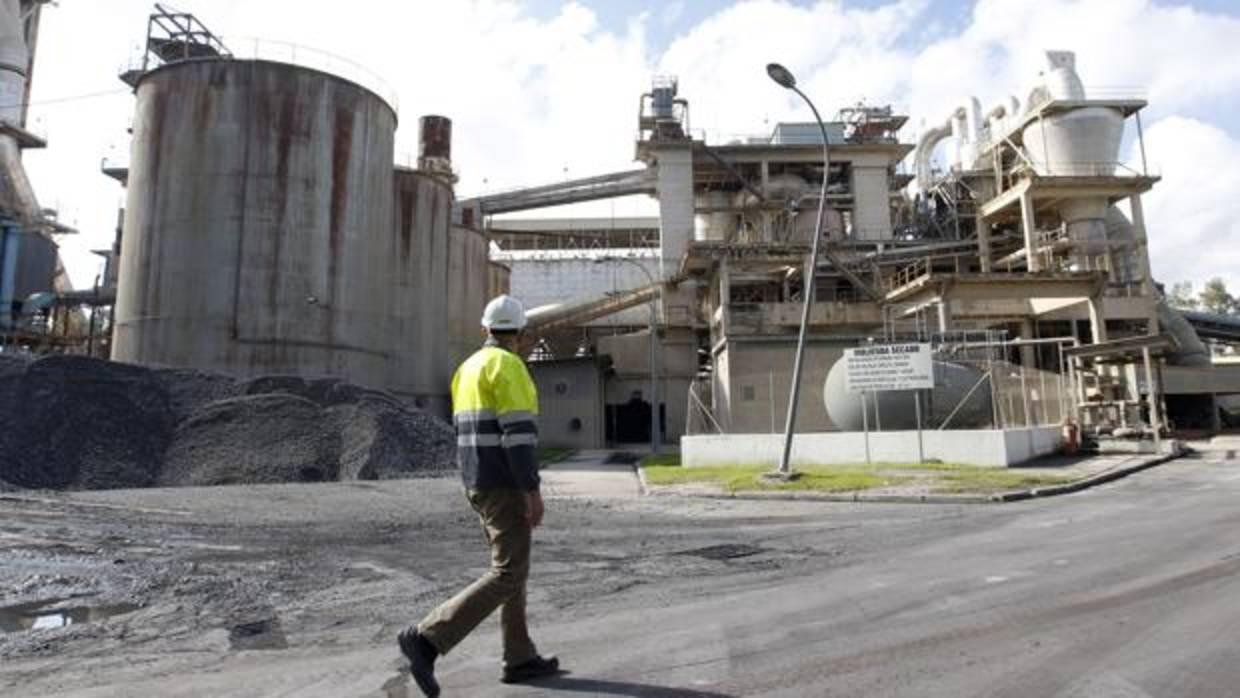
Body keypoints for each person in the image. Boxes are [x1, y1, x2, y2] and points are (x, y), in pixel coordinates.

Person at [398, 294, 559, 697]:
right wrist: (531, 491)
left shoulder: (467, 368)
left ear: (485, 330)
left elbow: (463, 431)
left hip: (475, 481)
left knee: (511, 571)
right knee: (508, 573)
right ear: (520, 335)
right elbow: (518, 437)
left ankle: (519, 657)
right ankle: (427, 638)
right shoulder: (509, 367)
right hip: (504, 484)